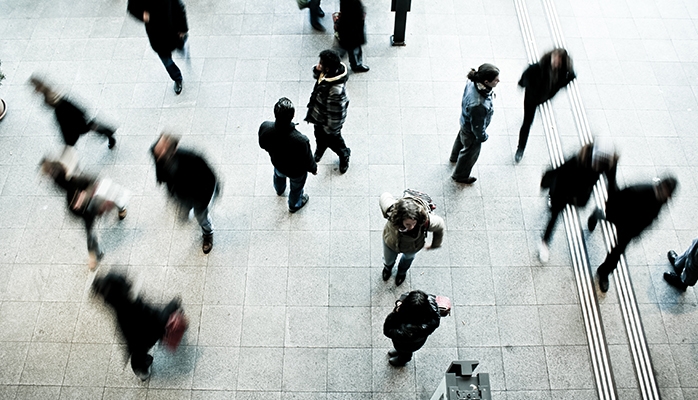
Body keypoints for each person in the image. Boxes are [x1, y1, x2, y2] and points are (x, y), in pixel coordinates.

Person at [589, 176, 677, 292]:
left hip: (629, 230)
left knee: (617, 251)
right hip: (621, 217)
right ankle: (598, 215)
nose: (666, 196)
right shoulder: (641, 190)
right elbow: (620, 196)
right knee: (609, 222)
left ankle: (603, 272)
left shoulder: (661, 201)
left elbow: (650, 219)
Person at [92, 272, 186, 381]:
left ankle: (142, 372)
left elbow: (127, 336)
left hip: (138, 343)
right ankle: (176, 308)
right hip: (154, 329)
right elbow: (155, 315)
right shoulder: (134, 303)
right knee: (170, 310)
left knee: (137, 359)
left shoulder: (118, 309)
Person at [41, 159, 129, 270]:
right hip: (86, 208)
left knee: (91, 228)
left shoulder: (76, 180)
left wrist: (83, 196)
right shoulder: (66, 184)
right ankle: (95, 253)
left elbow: (92, 184)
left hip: (89, 202)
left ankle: (94, 254)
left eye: (51, 174)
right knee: (90, 230)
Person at [538, 141, 618, 263]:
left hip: (580, 196)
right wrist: (548, 184)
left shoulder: (607, 165)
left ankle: (594, 215)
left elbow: (612, 185)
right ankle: (545, 242)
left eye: (601, 163)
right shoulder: (578, 160)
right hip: (563, 190)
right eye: (597, 161)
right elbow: (560, 172)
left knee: (578, 206)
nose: (598, 165)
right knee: (554, 215)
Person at [151, 133, 218, 254]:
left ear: (173, 149)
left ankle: (207, 233)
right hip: (180, 194)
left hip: (198, 195)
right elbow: (160, 168)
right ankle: (187, 213)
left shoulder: (192, 158)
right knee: (183, 211)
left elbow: (210, 177)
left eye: (162, 149)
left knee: (201, 216)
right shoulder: (156, 153)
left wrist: (206, 198)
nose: (158, 151)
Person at [516, 48, 576, 163]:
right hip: (531, 99)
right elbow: (524, 78)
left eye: (559, 61)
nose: (556, 62)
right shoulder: (537, 68)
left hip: (544, 97)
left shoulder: (564, 72)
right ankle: (521, 148)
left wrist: (559, 86)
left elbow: (572, 76)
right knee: (527, 122)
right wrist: (524, 84)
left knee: (528, 120)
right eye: (555, 59)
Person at [259, 97, 318, 213]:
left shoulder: (265, 127)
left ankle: (279, 190)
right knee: (296, 188)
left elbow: (262, 144)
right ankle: (294, 204)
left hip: (278, 163)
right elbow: (308, 159)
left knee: (278, 176)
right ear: (292, 115)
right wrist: (313, 168)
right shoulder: (301, 140)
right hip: (296, 172)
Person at [30, 76, 116, 149]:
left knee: (78, 133)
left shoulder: (50, 95)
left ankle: (107, 132)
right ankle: (107, 133)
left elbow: (59, 104)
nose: (35, 91)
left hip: (66, 115)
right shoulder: (48, 92)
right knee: (83, 129)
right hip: (67, 114)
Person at [379, 192, 444, 286]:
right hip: (390, 241)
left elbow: (440, 224)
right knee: (388, 259)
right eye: (408, 224)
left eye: (414, 223)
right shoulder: (392, 211)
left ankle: (401, 273)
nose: (412, 227)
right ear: (400, 219)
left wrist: (435, 244)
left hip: (413, 246)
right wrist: (393, 205)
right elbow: (384, 196)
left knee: (408, 259)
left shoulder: (425, 219)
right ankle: (387, 268)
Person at [450, 63, 500, 184]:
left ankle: (454, 157)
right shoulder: (478, 104)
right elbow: (477, 127)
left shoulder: (472, 82)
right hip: (472, 131)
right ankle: (460, 176)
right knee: (470, 153)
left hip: (465, 121)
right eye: (496, 80)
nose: (498, 80)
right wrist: (482, 137)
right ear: (486, 82)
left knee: (461, 139)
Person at [128, 0, 189, 95]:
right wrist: (143, 16)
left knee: (179, 45)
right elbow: (132, 8)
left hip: (173, 28)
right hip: (156, 34)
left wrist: (183, 29)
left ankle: (181, 46)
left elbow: (179, 6)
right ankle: (177, 78)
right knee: (166, 60)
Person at [305, 49, 351, 174]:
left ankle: (344, 155)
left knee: (335, 142)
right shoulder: (327, 74)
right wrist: (318, 70)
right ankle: (321, 147)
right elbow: (319, 78)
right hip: (319, 116)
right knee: (318, 136)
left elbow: (336, 114)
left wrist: (330, 130)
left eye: (321, 64)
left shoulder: (336, 90)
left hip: (329, 124)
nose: (318, 65)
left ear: (328, 69)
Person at [383, 290, 442, 367]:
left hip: (406, 344)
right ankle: (399, 352)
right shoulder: (431, 308)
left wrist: (395, 312)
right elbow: (407, 295)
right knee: (402, 350)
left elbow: (388, 331)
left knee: (405, 352)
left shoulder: (408, 330)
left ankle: (401, 361)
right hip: (417, 342)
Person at [336, 0, 369, 73]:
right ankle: (356, 65)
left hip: (349, 26)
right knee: (351, 47)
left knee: (345, 46)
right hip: (352, 28)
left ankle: (334, 62)